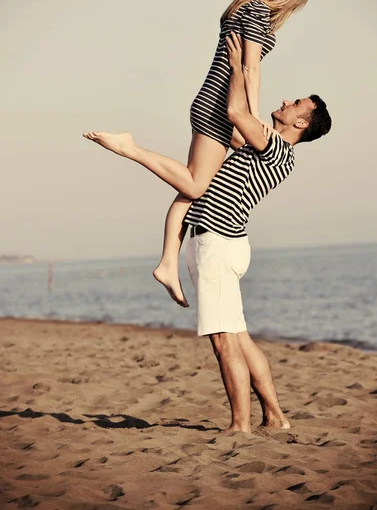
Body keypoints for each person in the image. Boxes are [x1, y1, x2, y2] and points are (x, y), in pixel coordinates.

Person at [84, 32, 332, 432]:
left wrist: (237, 67)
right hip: (230, 244)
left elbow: (236, 111)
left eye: (296, 104)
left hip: (216, 244)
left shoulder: (270, 144)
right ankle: (276, 416)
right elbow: (239, 117)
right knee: (240, 336)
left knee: (224, 341)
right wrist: (251, 71)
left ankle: (240, 425)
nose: (288, 102)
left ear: (301, 122)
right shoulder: (275, 152)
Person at [84, 0, 311, 308]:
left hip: (214, 102)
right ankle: (130, 148)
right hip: (220, 106)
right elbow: (249, 67)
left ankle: (166, 264)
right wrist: (252, 115)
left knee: (196, 185)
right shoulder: (258, 11)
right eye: (294, 4)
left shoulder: (243, 8)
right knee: (194, 184)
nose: (289, 11)